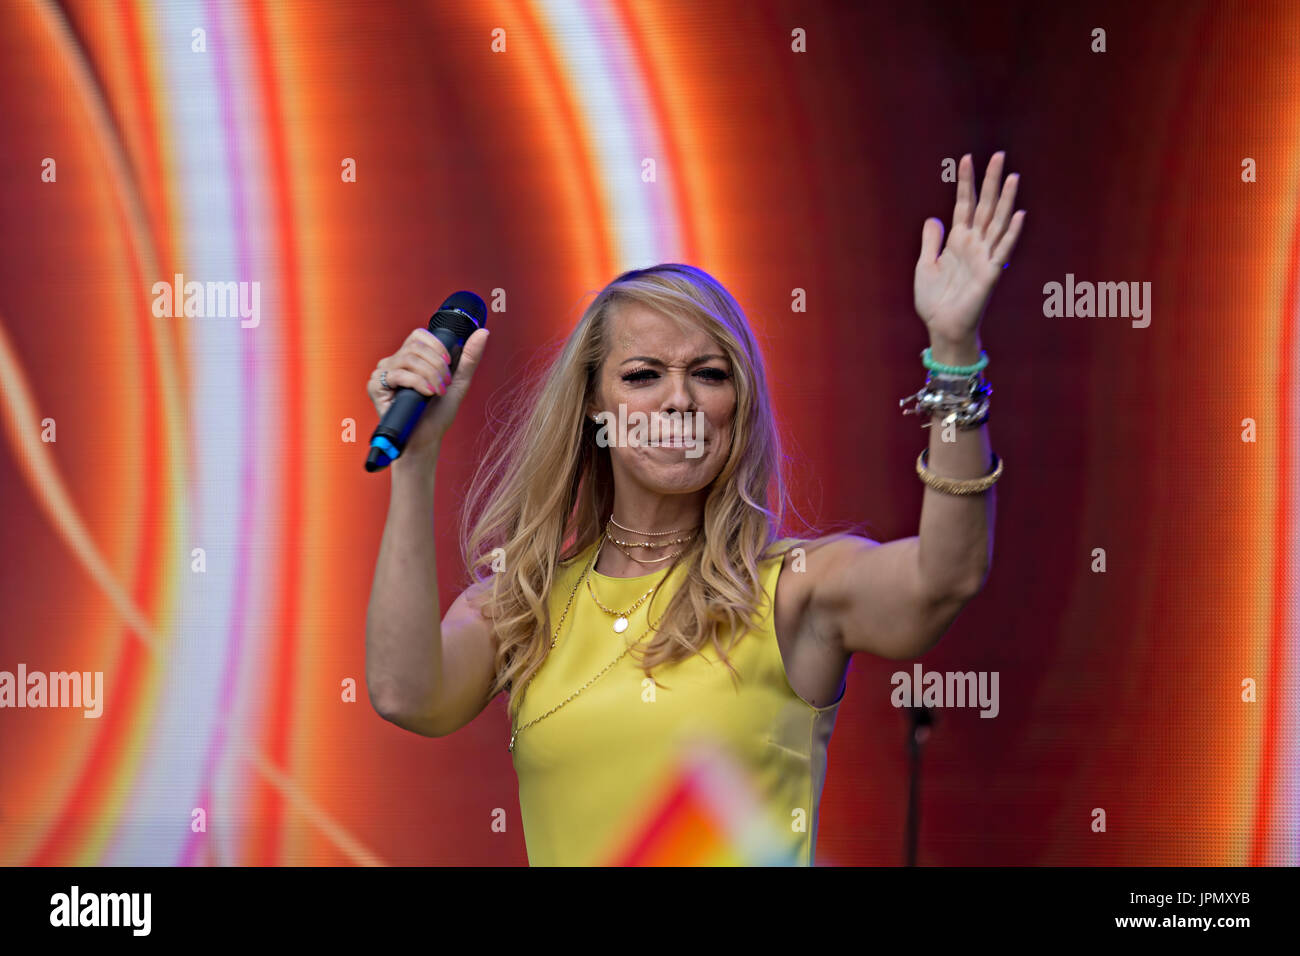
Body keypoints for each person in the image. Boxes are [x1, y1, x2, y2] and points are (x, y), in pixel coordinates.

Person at [365, 151, 1025, 865]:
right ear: (595, 407)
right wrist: (416, 462)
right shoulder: (525, 605)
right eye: (644, 375)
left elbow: (945, 577)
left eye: (709, 374)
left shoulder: (794, 588)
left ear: (738, 406)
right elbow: (406, 693)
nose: (678, 399)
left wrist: (954, 354)